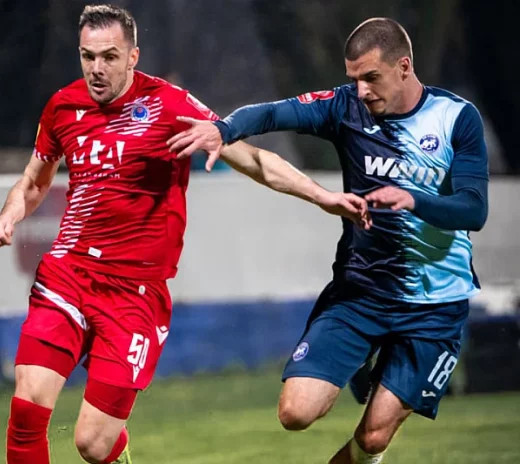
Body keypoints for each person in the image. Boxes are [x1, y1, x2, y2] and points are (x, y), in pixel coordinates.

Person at [0, 4, 370, 464]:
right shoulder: (63, 106)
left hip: (134, 293)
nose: (96, 68)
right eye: (88, 56)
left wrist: (322, 197)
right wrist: (9, 216)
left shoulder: (170, 105)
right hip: (68, 273)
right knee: (28, 407)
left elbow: (252, 160)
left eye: (109, 57)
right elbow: (34, 182)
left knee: (93, 443)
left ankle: (114, 448)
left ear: (133, 57)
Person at [167, 17, 489, 464]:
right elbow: (272, 112)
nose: (361, 91)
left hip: (434, 306)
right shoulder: (344, 107)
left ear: (403, 67)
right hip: (361, 293)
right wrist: (224, 130)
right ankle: (362, 358)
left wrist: (414, 200)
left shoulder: (456, 118)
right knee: (295, 412)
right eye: (354, 79)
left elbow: (474, 210)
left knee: (372, 438)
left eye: (371, 77)